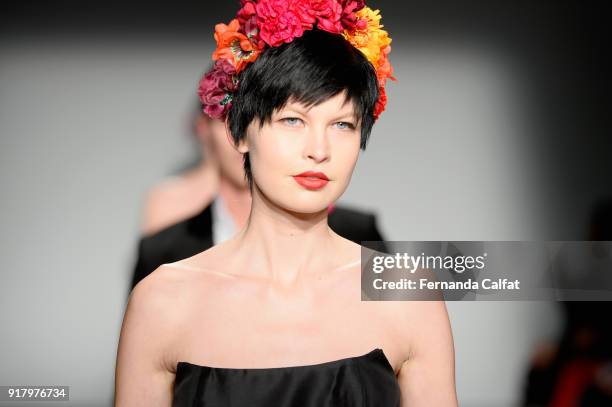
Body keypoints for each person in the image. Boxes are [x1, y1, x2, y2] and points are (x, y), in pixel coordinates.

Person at [115, 2, 457, 406]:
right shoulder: (163, 302)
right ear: (239, 133)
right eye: (292, 120)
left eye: (342, 125)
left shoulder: (407, 296)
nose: (318, 150)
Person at [130, 100, 388, 292]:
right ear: (204, 129)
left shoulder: (359, 228)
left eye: (342, 124)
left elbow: (416, 330)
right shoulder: (160, 247)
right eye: (229, 120)